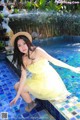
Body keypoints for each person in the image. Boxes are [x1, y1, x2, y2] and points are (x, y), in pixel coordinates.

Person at [10, 32, 80, 112]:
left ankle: (31, 103)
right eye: (19, 45)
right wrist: (17, 95)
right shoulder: (23, 59)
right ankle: (31, 103)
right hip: (36, 79)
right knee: (16, 86)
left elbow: (54, 61)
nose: (23, 47)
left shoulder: (38, 51)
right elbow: (23, 76)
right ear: (17, 48)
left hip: (48, 80)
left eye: (24, 43)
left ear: (28, 43)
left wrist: (72, 68)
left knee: (21, 88)